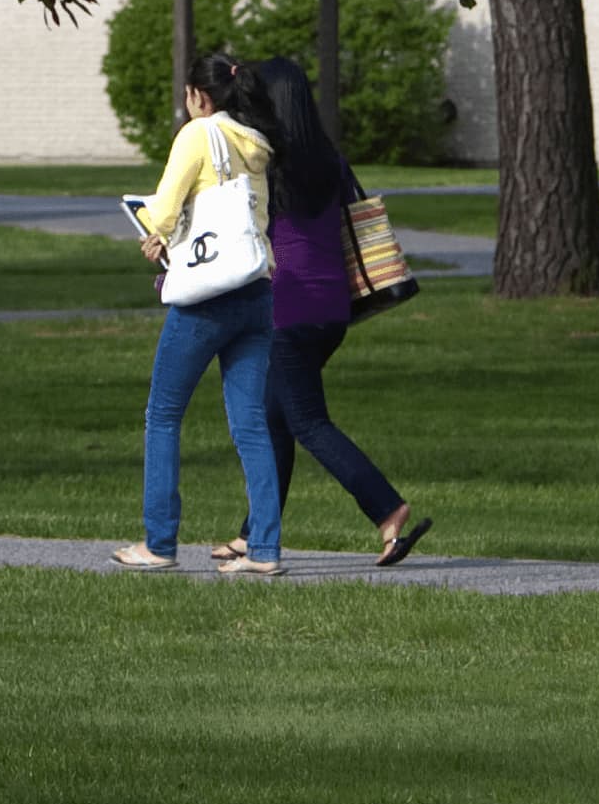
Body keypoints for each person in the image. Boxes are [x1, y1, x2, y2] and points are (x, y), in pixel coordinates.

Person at [214, 57, 432, 570]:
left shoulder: (265, 161)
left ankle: (386, 508)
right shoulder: (328, 158)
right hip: (332, 308)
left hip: (287, 308)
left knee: (307, 420)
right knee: (275, 417)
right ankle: (254, 533)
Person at [112, 55, 286, 577]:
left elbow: (163, 212)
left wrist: (150, 227)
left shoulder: (197, 134)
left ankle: (159, 541)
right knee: (251, 424)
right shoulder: (254, 145)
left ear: (198, 96)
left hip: (205, 295)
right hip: (255, 290)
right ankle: (265, 550)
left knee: (163, 415)